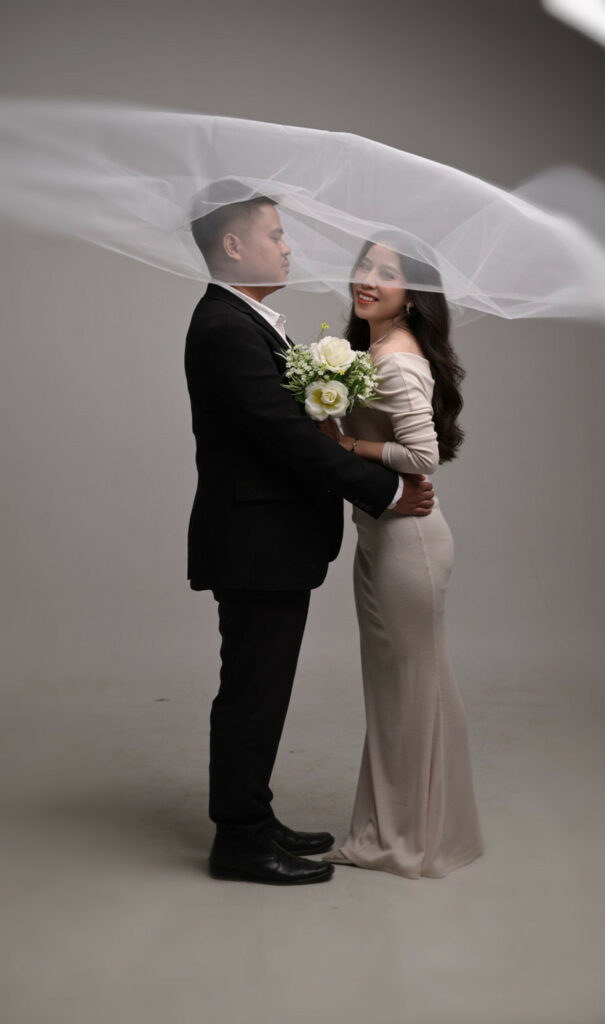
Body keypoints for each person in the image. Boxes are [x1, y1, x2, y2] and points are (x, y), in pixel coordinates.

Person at [184, 194, 436, 885]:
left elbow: (296, 433)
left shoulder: (244, 322)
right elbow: (289, 440)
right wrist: (387, 492)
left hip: (269, 542)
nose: (288, 246)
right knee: (252, 691)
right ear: (234, 246)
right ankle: (239, 840)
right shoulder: (226, 328)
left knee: (261, 687)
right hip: (254, 544)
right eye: (275, 234)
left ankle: (253, 816)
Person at [321, 241, 484, 878]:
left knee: (413, 688)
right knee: (399, 689)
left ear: (412, 296)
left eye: (386, 274)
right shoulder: (374, 351)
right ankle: (409, 829)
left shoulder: (395, 360)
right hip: (381, 535)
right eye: (364, 267)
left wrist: (345, 444)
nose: (367, 280)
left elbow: (423, 457)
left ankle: (411, 839)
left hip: (406, 542)